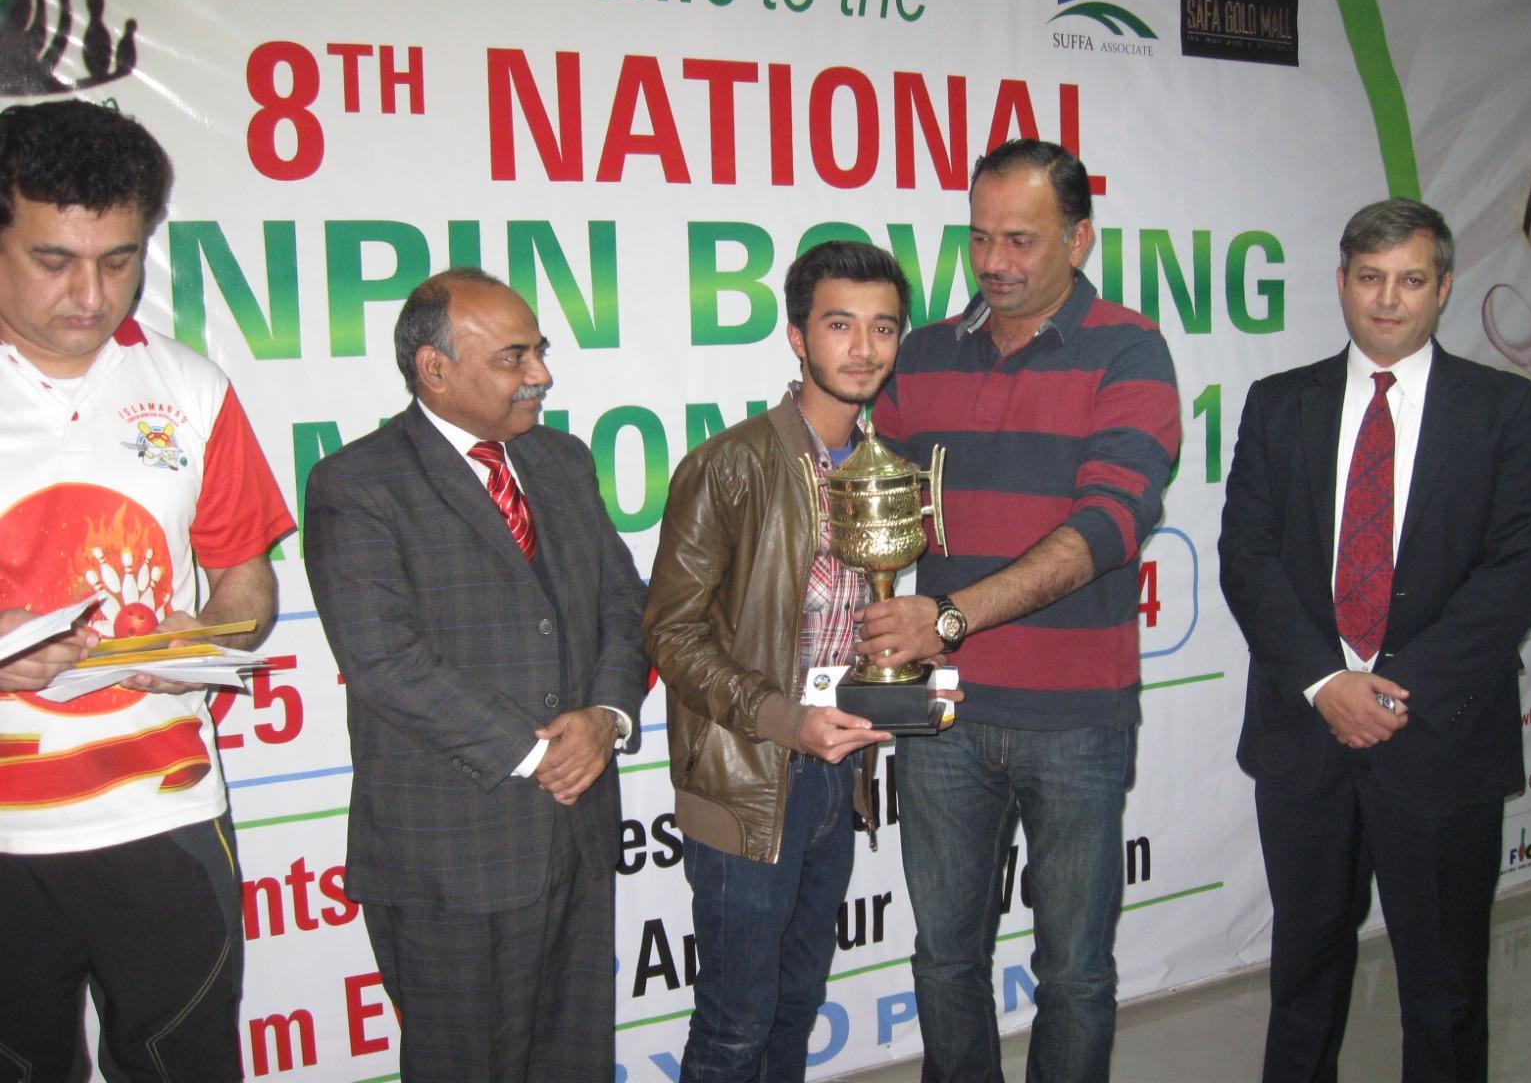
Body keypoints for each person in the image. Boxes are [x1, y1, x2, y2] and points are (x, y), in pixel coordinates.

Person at [859, 139, 1180, 1082]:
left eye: (1020, 240)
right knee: (943, 959)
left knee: (1074, 972)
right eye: (979, 237)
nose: (993, 261)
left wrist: (949, 618)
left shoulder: (1128, 349)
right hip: (942, 716)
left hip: (1074, 720)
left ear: (1078, 240)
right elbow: (879, 514)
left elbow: (1107, 525)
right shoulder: (922, 355)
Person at [1218, 197, 1531, 1083]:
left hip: (1442, 739)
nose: (1388, 299)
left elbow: (1513, 575)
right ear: (1341, 283)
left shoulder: (1505, 410)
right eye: (1370, 278)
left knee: (1444, 993)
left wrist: (1396, 691)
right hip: (1306, 736)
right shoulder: (1279, 404)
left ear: (1443, 288)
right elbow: (1246, 557)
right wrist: (1326, 683)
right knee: (1303, 982)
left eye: (1410, 280)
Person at [0, 98, 293, 1081]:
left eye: (119, 260)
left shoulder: (191, 387)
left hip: (164, 816)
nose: (90, 293)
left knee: (181, 1066)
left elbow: (244, 576)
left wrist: (205, 638)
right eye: (54, 260)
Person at [303, 268, 647, 1083]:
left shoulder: (561, 460)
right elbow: (384, 660)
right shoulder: (358, 483)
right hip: (450, 854)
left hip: (577, 832)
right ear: (435, 369)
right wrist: (537, 753)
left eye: (539, 351)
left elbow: (624, 603)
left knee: (574, 1064)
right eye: (513, 358)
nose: (541, 375)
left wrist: (606, 718)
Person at [643, 241, 915, 1082]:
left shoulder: (886, 470)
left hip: (838, 773)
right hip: (748, 779)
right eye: (840, 325)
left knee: (797, 1003)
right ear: (797, 337)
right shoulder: (730, 465)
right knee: (736, 1026)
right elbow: (671, 633)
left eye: (883, 328)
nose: (863, 348)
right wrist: (784, 720)